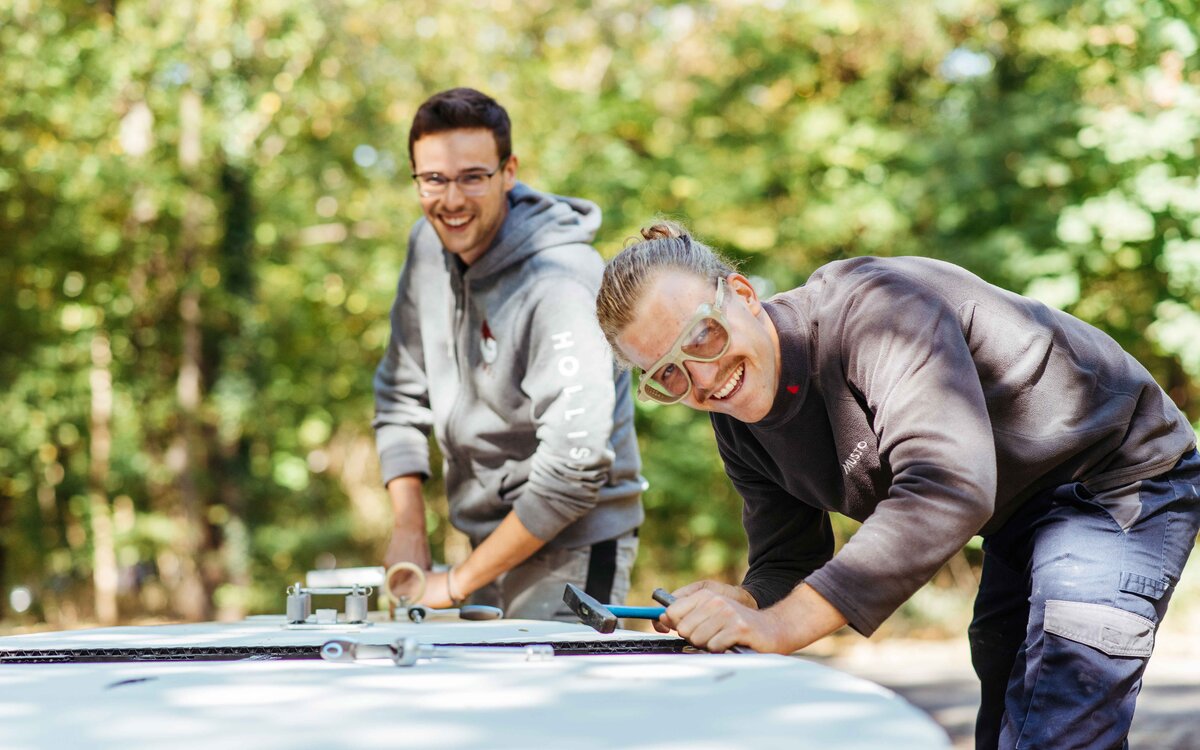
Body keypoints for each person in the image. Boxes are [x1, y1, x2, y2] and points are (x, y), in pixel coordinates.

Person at [596, 221, 1200, 749]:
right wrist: (748, 604)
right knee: (1003, 669)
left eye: (701, 337)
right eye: (667, 376)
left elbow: (949, 484)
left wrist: (781, 627)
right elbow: (789, 556)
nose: (700, 379)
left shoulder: (875, 311)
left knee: (1061, 699)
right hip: (1022, 510)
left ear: (745, 296)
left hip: (1114, 474)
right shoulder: (736, 416)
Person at [373, 88, 644, 621]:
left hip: (576, 541)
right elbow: (399, 395)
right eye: (433, 179)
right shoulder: (426, 249)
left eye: (472, 177)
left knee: (542, 699)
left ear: (508, 171)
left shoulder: (561, 282)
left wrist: (453, 583)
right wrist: (408, 529)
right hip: (485, 539)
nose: (451, 200)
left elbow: (573, 469)